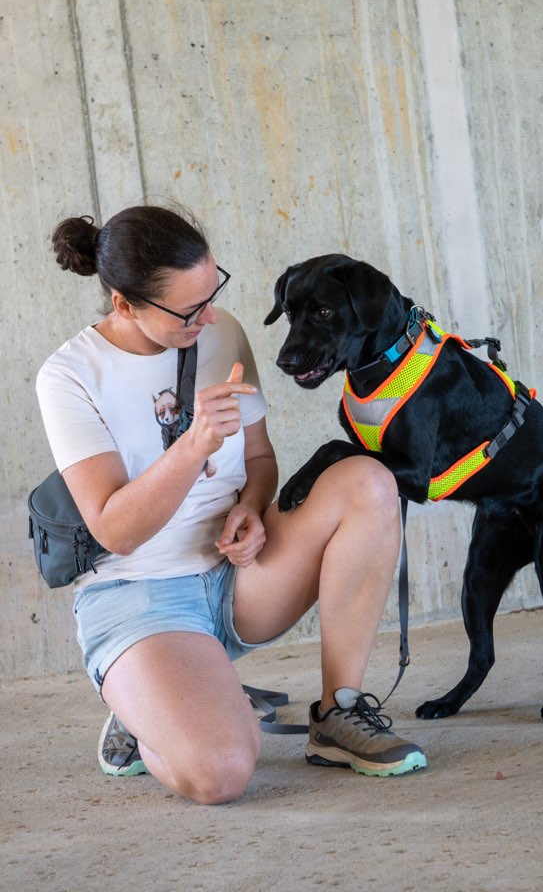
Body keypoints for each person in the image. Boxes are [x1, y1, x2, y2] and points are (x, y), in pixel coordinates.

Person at [36, 205, 427, 805]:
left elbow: (262, 461)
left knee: (369, 481)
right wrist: (193, 444)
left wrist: (251, 504)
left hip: (237, 580)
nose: (210, 315)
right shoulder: (69, 376)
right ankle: (146, 706)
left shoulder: (218, 332)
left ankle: (337, 714)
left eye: (213, 290)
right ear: (124, 305)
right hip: (140, 599)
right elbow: (115, 530)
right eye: (190, 310)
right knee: (222, 774)